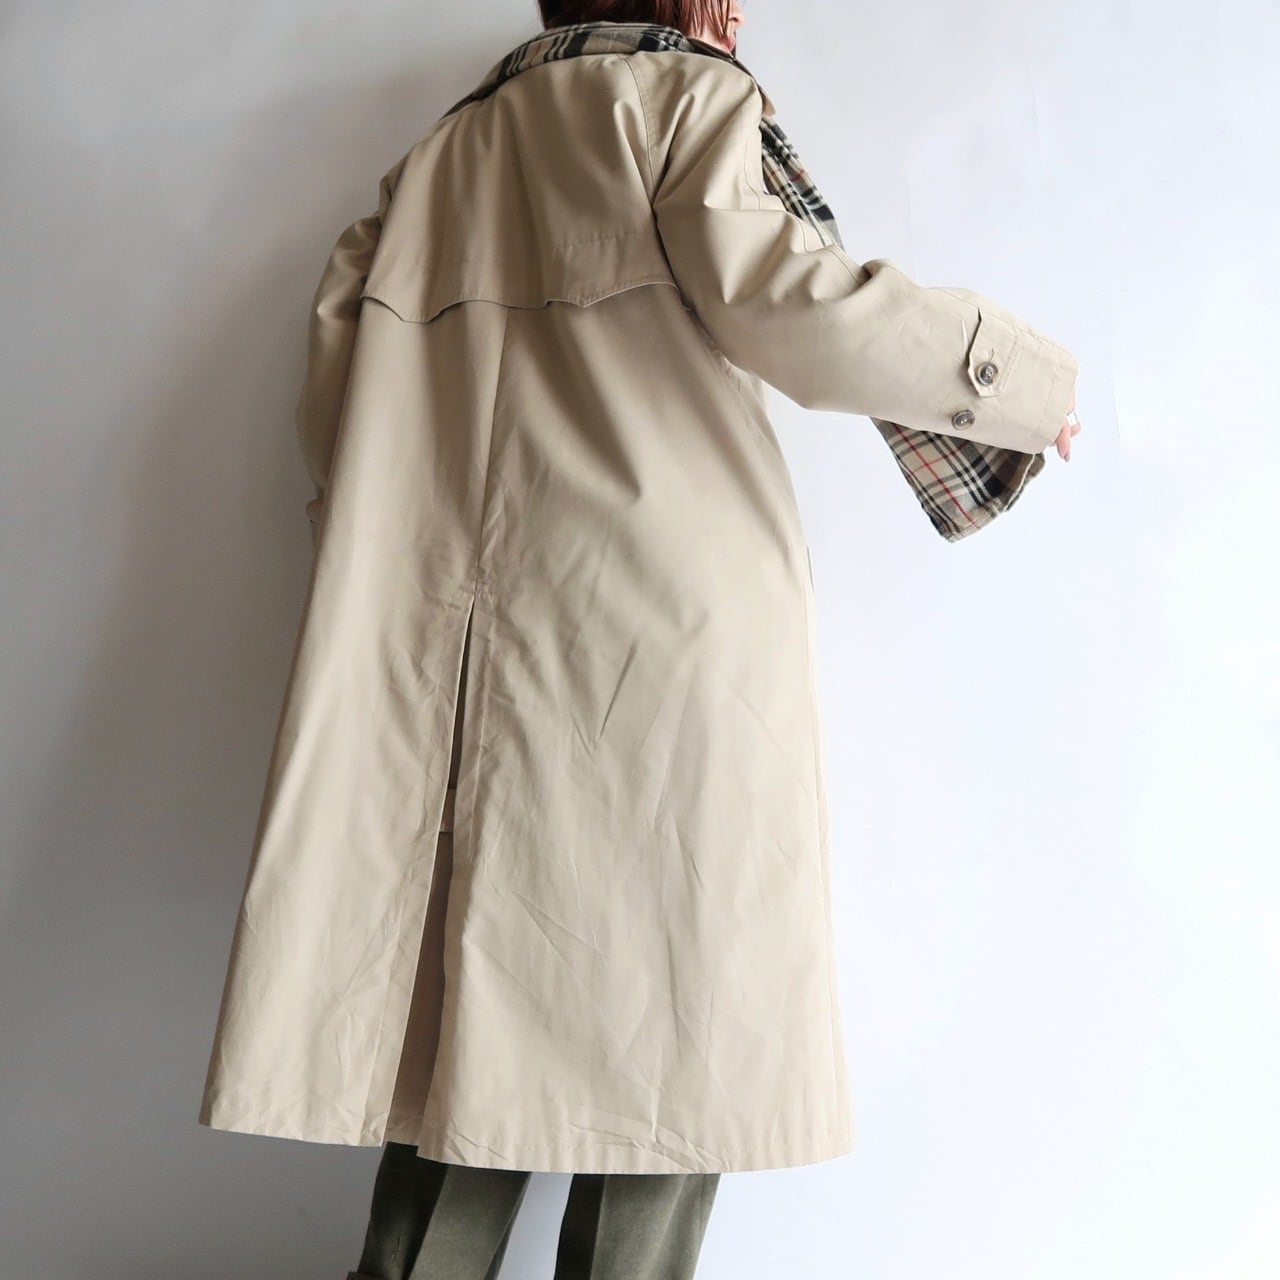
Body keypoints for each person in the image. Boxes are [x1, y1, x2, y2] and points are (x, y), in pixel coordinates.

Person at [197, 2, 1081, 1277]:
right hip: (665, 628)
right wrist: (1016, 382)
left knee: (473, 1005)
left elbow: (335, 403)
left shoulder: (435, 159)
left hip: (460, 640)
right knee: (681, 1000)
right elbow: (793, 300)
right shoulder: (687, 101)